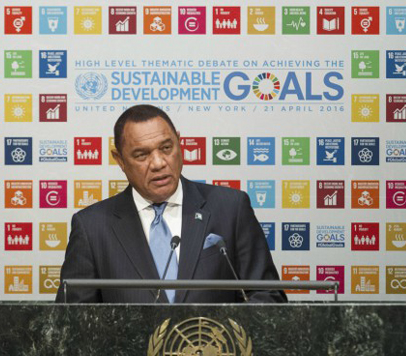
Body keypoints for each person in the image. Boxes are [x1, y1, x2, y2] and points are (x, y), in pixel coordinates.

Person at [55, 105, 286, 303]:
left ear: (179, 142)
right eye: (141, 155)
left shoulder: (230, 208)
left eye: (166, 148)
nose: (158, 163)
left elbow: (266, 297)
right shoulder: (92, 227)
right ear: (120, 161)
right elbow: (71, 325)